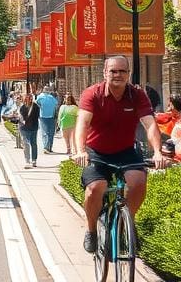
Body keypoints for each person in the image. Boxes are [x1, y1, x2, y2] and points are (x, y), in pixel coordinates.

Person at [74, 55, 168, 254]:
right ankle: (91, 230)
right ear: (105, 73)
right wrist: (80, 151)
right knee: (95, 188)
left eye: (122, 71)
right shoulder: (93, 93)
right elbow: (82, 123)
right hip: (96, 152)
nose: (118, 75)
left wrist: (158, 152)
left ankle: (128, 221)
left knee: (138, 182)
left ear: (128, 74)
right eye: (113, 71)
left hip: (126, 151)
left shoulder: (137, 95)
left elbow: (150, 124)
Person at [18, 92, 40, 168]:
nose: (28, 99)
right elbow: (20, 116)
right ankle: (27, 161)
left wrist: (27, 120)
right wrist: (23, 120)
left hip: (33, 128)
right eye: (26, 98)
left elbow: (36, 117)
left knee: (33, 143)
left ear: (31, 99)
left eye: (29, 98)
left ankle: (34, 160)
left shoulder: (36, 107)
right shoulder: (22, 107)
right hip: (24, 128)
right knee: (26, 144)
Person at [35, 85, 59, 153]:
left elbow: (36, 103)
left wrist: (40, 107)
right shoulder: (52, 97)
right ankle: (50, 147)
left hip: (43, 116)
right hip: (51, 116)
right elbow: (56, 104)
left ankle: (46, 147)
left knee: (44, 132)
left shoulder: (40, 96)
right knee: (51, 133)